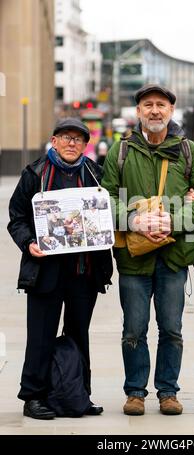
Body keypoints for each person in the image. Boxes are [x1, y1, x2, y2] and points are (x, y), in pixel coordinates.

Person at [102, 84, 194, 416]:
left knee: (171, 328)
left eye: (161, 105)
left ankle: (168, 392)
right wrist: (134, 220)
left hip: (174, 258)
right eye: (147, 105)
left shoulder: (189, 152)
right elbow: (105, 201)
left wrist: (172, 221)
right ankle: (135, 392)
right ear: (138, 112)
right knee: (134, 328)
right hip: (134, 259)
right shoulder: (119, 152)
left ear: (171, 111)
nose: (154, 110)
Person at [7, 117, 113, 420]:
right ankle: (33, 396)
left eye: (78, 139)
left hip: (84, 271)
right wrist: (28, 243)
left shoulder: (96, 173)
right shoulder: (35, 174)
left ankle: (79, 394)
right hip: (45, 271)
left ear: (85, 144)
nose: (72, 144)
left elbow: (108, 213)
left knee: (79, 333)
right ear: (54, 141)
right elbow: (16, 218)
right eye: (66, 137)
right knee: (40, 335)